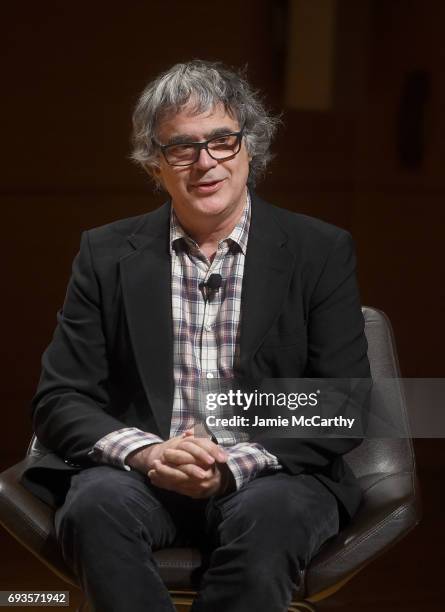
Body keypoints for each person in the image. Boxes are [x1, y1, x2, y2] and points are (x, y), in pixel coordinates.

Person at [21, 60, 371, 612]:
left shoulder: (319, 250)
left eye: (222, 141)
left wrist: (232, 466)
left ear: (250, 148)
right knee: (94, 507)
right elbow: (60, 398)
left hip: (271, 472)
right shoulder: (105, 254)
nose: (204, 162)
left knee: (271, 520)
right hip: (142, 474)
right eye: (181, 148)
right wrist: (148, 453)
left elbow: (342, 404)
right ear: (155, 165)